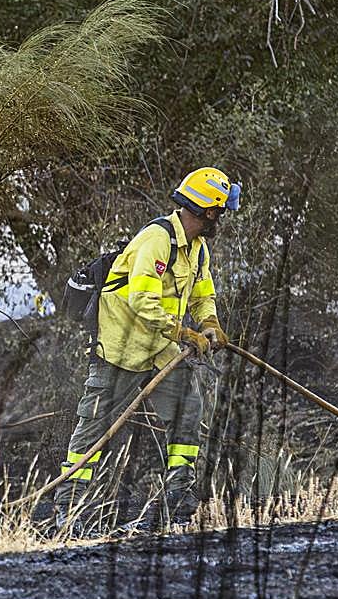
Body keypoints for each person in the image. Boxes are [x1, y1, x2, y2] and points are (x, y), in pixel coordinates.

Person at [53, 167, 241, 530]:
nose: (221, 219)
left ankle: (178, 501)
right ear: (207, 210)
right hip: (122, 349)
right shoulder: (156, 239)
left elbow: (203, 294)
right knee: (94, 428)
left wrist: (210, 323)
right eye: (220, 211)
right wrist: (183, 332)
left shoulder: (198, 250)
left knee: (188, 411)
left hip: (162, 349)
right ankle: (69, 510)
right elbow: (141, 300)